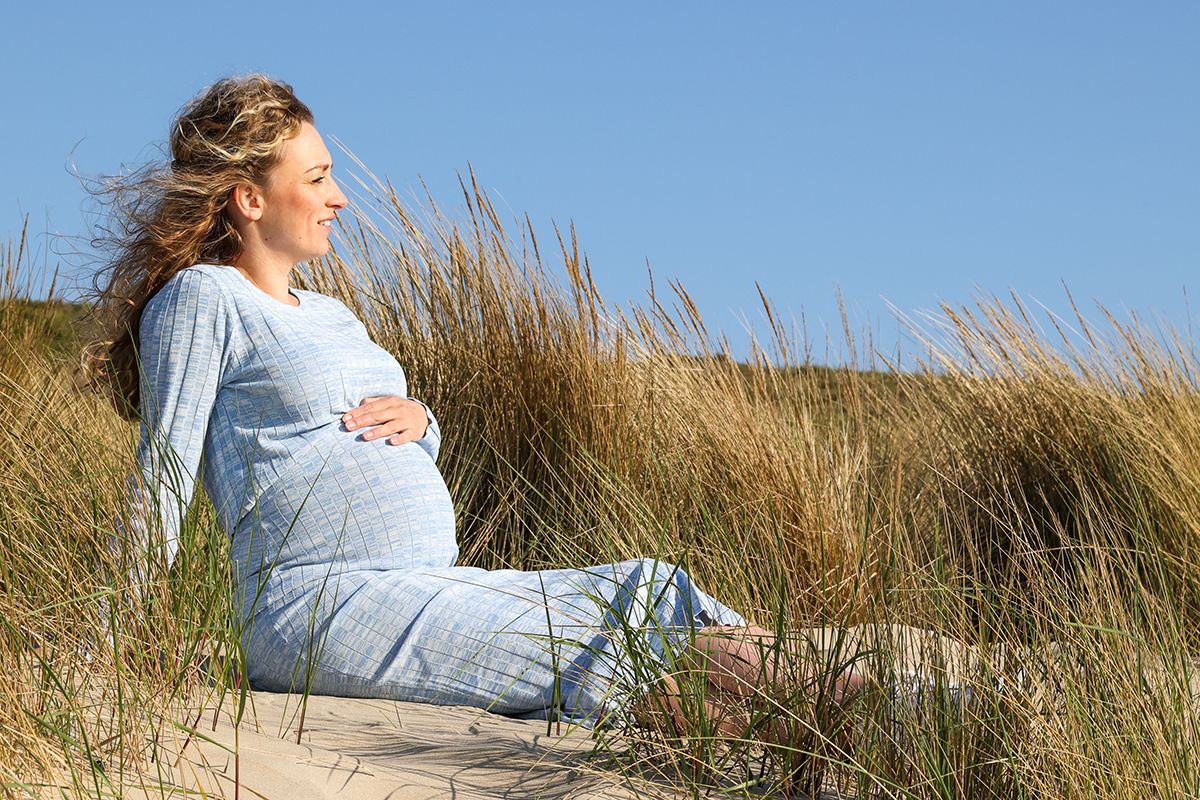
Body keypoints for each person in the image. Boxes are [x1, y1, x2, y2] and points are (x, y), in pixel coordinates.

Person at [87, 75, 857, 729]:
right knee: (585, 639)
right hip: (318, 604)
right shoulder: (202, 299)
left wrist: (424, 424)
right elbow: (165, 470)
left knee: (645, 585)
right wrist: (111, 647)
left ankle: (839, 701)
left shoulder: (333, 315)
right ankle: (845, 717)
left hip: (421, 581)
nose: (340, 198)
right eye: (317, 178)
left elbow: (373, 424)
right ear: (250, 198)